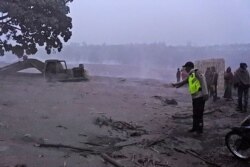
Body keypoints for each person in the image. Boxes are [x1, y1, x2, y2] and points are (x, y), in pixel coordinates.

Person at [172, 61, 208, 134]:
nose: (185, 69)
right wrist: (175, 85)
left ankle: (200, 130)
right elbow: (184, 82)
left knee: (199, 114)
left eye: (186, 67)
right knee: (195, 113)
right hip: (195, 97)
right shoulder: (191, 75)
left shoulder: (196, 72)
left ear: (189, 67)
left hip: (200, 96)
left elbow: (203, 81)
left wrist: (205, 93)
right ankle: (194, 128)